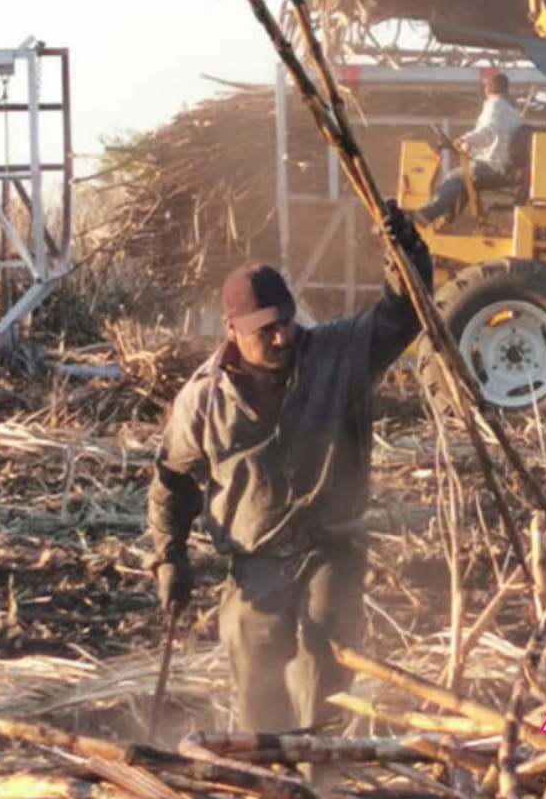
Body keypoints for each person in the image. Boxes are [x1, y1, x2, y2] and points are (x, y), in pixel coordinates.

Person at [145, 200, 433, 738]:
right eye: (264, 330)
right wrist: (169, 555)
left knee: (324, 670)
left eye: (285, 323)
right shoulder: (204, 401)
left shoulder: (337, 355)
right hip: (255, 562)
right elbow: (174, 480)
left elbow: (403, 313)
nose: (281, 338)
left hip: (331, 547)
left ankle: (321, 777)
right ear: (232, 330)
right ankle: (269, 780)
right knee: (255, 683)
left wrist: (406, 253)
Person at [416, 71, 524, 224]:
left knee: (455, 177)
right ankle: (446, 220)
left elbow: (488, 132)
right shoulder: (513, 111)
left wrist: (464, 140)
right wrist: (468, 145)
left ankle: (427, 214)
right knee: (465, 179)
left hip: (493, 164)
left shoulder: (496, 105)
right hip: (502, 163)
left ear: (487, 88)